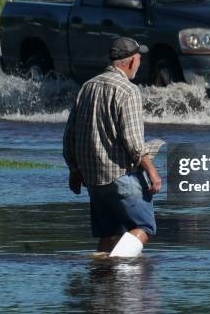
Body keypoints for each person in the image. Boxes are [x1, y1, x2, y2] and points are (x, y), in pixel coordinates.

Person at [63, 37, 163, 257]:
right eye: (139, 58)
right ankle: (117, 268)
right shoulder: (128, 91)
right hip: (121, 176)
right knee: (144, 227)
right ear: (129, 62)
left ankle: (101, 281)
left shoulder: (87, 87)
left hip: (94, 180)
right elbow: (134, 143)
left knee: (109, 235)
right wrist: (153, 172)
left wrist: (74, 169)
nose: (140, 63)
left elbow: (69, 136)